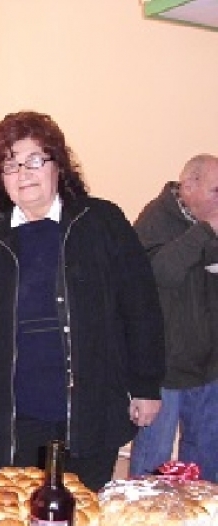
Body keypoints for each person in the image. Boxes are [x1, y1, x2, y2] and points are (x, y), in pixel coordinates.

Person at [0, 110, 166, 493]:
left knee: (85, 508)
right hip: (14, 417)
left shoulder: (102, 222)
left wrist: (145, 385)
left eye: (34, 160)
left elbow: (140, 306)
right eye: (11, 164)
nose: (23, 174)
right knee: (20, 512)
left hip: (91, 408)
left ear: (58, 165)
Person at [129, 154, 218, 482]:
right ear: (189, 185)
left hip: (209, 367)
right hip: (165, 370)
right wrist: (206, 230)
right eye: (217, 191)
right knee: (152, 463)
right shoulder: (156, 218)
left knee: (205, 466)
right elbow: (160, 273)